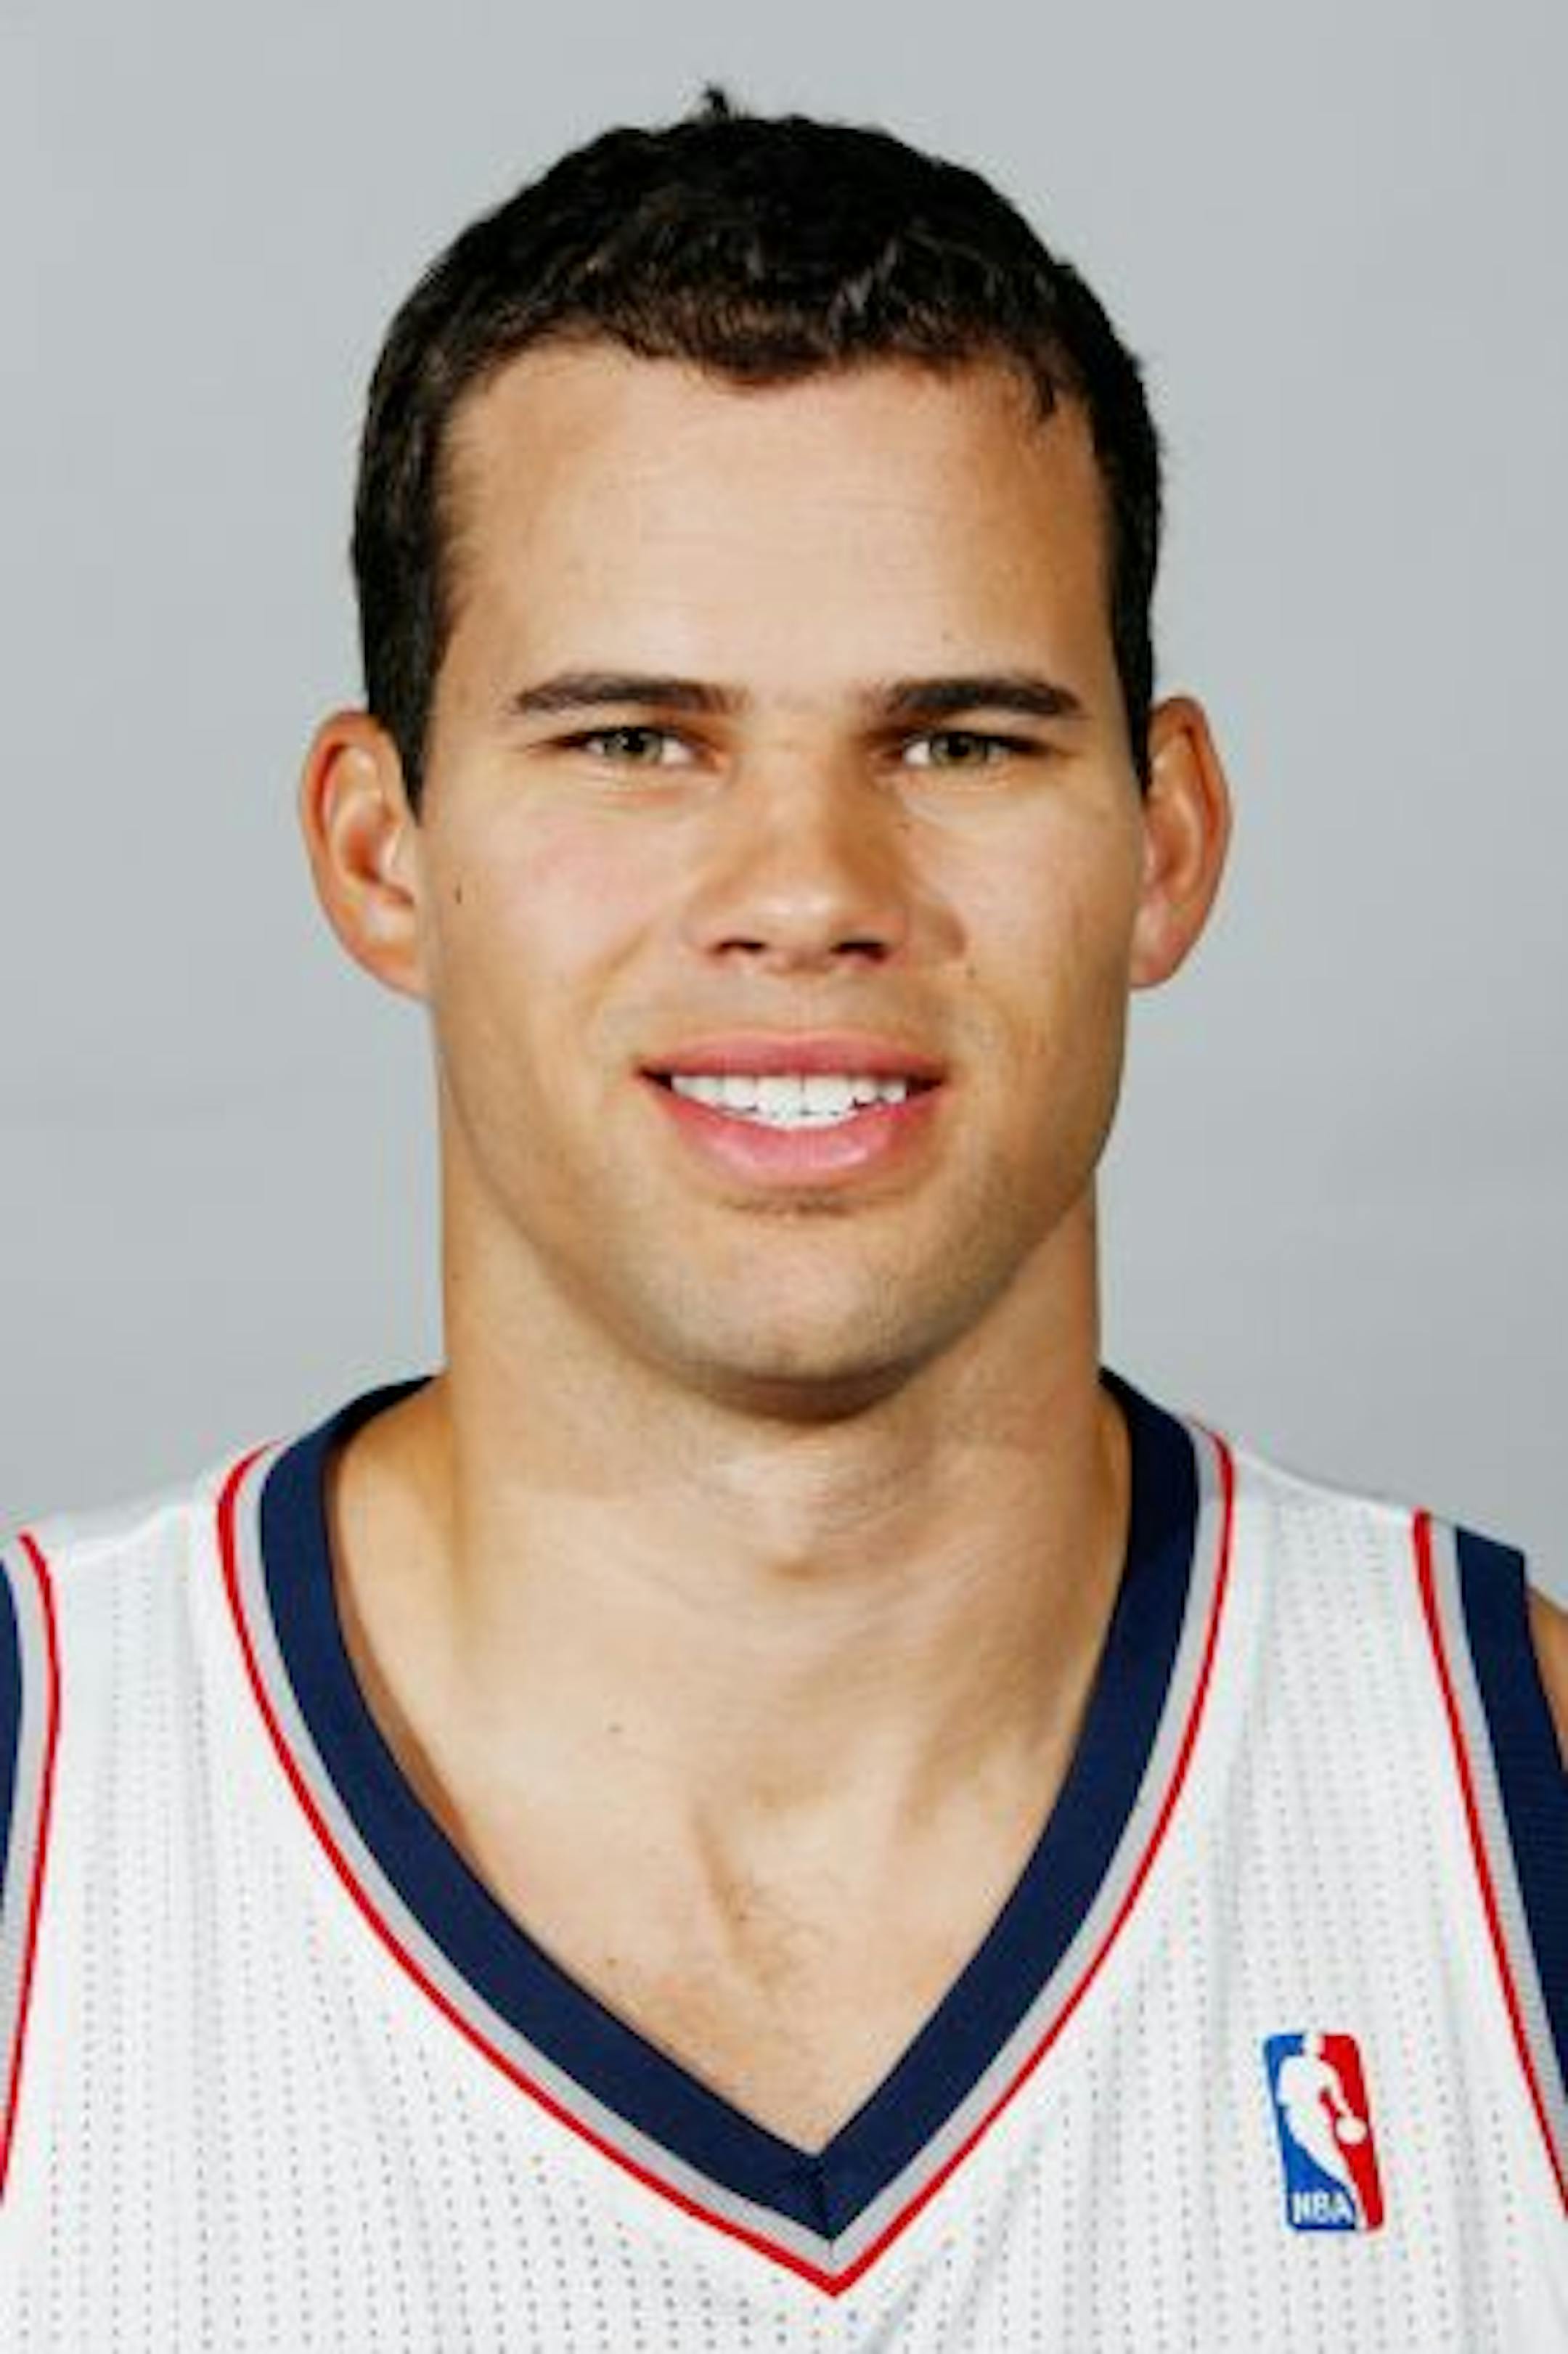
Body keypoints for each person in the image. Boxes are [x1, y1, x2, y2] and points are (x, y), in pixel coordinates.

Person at [2, 85, 1564, 2348]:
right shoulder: (45, 1829)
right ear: (380, 850)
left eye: (962, 741)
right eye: (636, 739)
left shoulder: (1515, 1819)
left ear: (1169, 840)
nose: (812, 894)